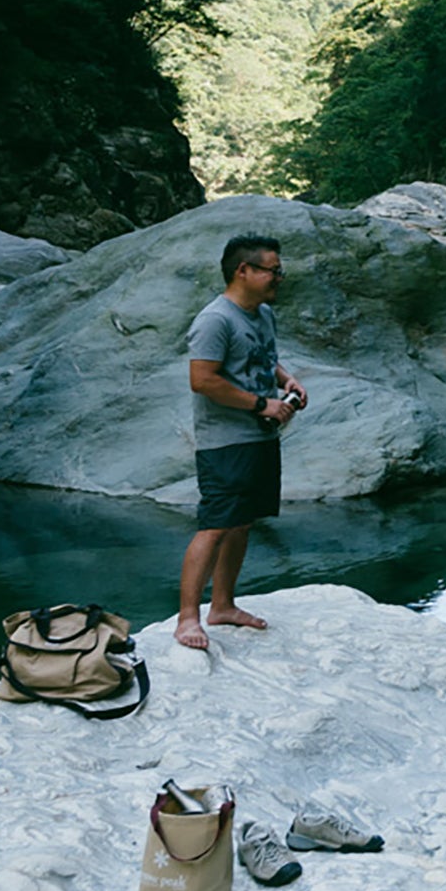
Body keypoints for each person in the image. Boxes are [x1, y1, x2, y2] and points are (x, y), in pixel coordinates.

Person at [177, 233, 308, 651]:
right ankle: (186, 619)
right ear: (243, 271)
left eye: (278, 269)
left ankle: (223, 606)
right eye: (272, 269)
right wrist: (261, 404)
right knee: (214, 526)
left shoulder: (262, 313)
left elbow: (263, 358)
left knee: (242, 523)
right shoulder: (215, 319)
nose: (279, 277)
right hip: (225, 442)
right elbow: (202, 380)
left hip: (258, 438)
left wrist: (286, 381)